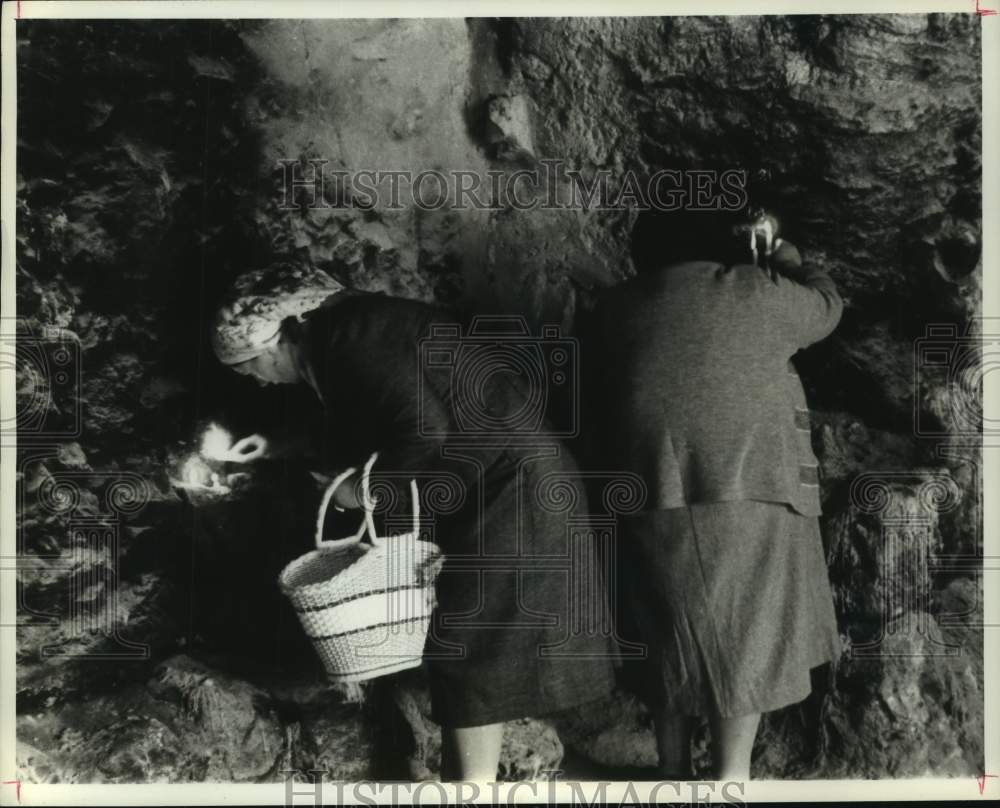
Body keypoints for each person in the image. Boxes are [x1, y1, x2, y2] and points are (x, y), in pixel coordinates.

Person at [210, 261, 617, 781]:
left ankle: (469, 788)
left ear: (274, 342)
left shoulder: (351, 339)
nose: (257, 383)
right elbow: (383, 417)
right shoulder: (346, 332)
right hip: (499, 479)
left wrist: (364, 492)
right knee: (468, 644)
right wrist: (276, 445)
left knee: (466, 646)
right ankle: (471, 783)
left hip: (510, 488)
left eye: (250, 368)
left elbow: (425, 435)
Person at [582, 210, 844, 780]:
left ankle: (673, 771)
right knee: (744, 642)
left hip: (647, 490)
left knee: (668, 634)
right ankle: (730, 778)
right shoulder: (756, 289)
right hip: (751, 489)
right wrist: (783, 254)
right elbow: (827, 307)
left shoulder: (614, 308)